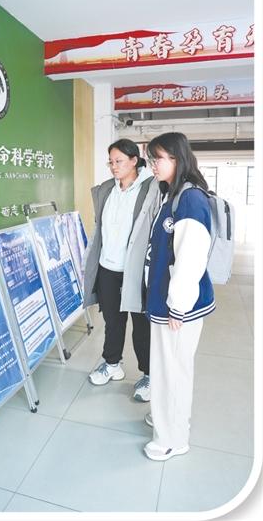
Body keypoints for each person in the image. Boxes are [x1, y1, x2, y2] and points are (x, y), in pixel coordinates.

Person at [143, 132, 215, 461]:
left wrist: (178, 306)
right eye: (152, 158)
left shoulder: (190, 199)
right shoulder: (172, 193)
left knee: (172, 371)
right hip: (166, 299)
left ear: (177, 158)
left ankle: (172, 438)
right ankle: (167, 418)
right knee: (168, 368)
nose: (153, 164)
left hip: (178, 305)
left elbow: (190, 260)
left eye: (158, 158)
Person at [83, 138, 160, 401]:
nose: (114, 166)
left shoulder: (151, 189)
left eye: (119, 161)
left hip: (135, 270)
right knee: (112, 321)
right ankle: (112, 364)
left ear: (134, 161)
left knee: (142, 325)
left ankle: (149, 374)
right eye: (111, 162)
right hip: (108, 267)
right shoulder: (107, 189)